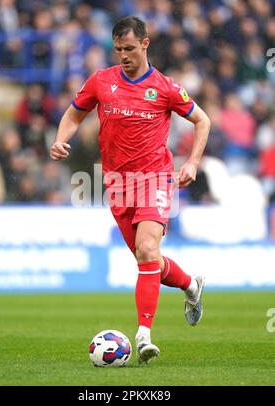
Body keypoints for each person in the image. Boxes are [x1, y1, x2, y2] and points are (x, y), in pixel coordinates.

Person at [50, 16, 211, 364]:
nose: (123, 55)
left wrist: (192, 162)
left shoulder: (165, 87)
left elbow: (203, 120)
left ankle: (143, 336)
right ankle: (191, 287)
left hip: (155, 179)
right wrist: (61, 139)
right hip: (118, 185)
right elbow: (74, 114)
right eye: (118, 49)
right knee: (147, 258)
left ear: (145, 44)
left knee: (148, 247)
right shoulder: (101, 81)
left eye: (130, 48)